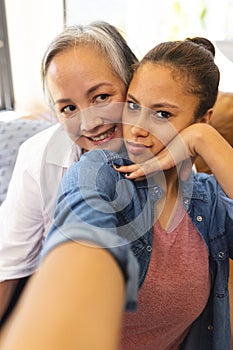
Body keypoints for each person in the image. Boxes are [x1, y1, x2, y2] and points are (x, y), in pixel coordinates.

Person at [1, 37, 233, 350]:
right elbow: (80, 242)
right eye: (134, 106)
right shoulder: (100, 172)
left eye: (162, 114)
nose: (136, 127)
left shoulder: (210, 200)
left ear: (202, 118)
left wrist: (205, 139)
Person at [0, 20, 138, 324]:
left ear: (133, 82)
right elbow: (7, 267)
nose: (89, 125)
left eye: (101, 97)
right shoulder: (38, 157)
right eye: (68, 108)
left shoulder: (173, 154)